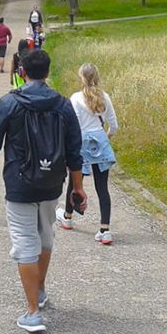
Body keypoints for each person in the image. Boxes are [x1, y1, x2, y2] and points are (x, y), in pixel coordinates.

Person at [0, 49, 86, 334]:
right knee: (45, 235)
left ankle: (32, 313)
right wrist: (78, 187)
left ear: (22, 72)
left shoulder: (10, 102)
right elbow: (75, 150)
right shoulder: (63, 105)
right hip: (52, 183)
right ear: (47, 73)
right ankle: (39, 290)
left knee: (25, 241)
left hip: (20, 183)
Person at [57, 63, 119, 245]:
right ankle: (105, 229)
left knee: (75, 182)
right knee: (102, 187)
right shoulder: (104, 97)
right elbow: (114, 125)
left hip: (81, 142)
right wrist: (105, 137)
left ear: (81, 78)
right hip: (100, 141)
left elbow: (72, 124)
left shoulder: (75, 98)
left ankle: (68, 216)